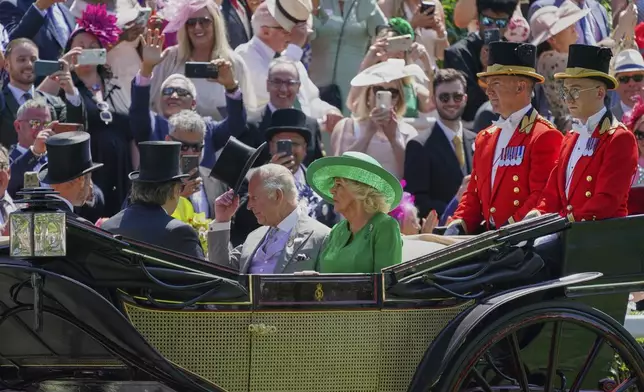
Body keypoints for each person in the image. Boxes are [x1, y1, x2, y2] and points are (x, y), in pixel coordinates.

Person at [445, 41, 563, 235]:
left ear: (520, 86)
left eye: (496, 83)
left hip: (523, 244)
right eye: (488, 84)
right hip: (491, 242)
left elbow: (541, 196)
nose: (489, 91)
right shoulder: (485, 137)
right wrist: (459, 223)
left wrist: (507, 231)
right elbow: (474, 194)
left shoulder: (544, 136)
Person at [527, 44, 638, 221]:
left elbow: (606, 201)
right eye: (566, 91)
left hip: (599, 238)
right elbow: (552, 192)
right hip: (569, 234)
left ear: (600, 92)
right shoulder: (571, 137)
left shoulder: (619, 138)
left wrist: (560, 221)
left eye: (576, 91)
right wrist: (538, 213)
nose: (568, 98)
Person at [209, 163, 330, 273]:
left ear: (277, 196)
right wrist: (222, 220)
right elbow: (221, 272)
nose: (249, 206)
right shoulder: (254, 237)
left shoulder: (322, 236)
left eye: (254, 198)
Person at [101, 141, 205, 259]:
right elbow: (203, 276)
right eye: (180, 187)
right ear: (174, 191)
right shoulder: (179, 232)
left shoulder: (107, 227)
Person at [306, 151, 403, 273]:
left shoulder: (385, 226)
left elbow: (385, 285)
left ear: (360, 190)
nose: (331, 190)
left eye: (339, 184)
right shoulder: (337, 230)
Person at [37, 131, 103, 223]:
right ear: (81, 179)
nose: (91, 186)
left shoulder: (25, 216)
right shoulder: (80, 226)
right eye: (89, 178)